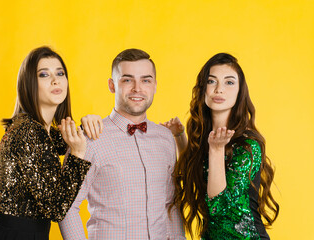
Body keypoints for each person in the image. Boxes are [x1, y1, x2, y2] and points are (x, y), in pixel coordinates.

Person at [59, 48, 185, 240]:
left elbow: (170, 203)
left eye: (146, 80)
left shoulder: (166, 138)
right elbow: (67, 205)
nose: (137, 88)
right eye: (127, 80)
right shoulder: (89, 138)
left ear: (155, 85)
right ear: (112, 85)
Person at [163, 53, 279, 239]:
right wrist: (179, 137)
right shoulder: (206, 138)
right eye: (211, 81)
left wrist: (216, 151)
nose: (219, 89)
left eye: (229, 82)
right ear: (203, 89)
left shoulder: (248, 145)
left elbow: (218, 207)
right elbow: (194, 174)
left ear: (240, 91)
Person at [0, 46, 92, 240]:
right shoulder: (28, 132)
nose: (55, 80)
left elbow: (68, 140)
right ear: (29, 84)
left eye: (60, 73)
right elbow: (57, 208)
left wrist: (90, 122)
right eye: (43, 75)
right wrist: (77, 154)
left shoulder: (41, 131)